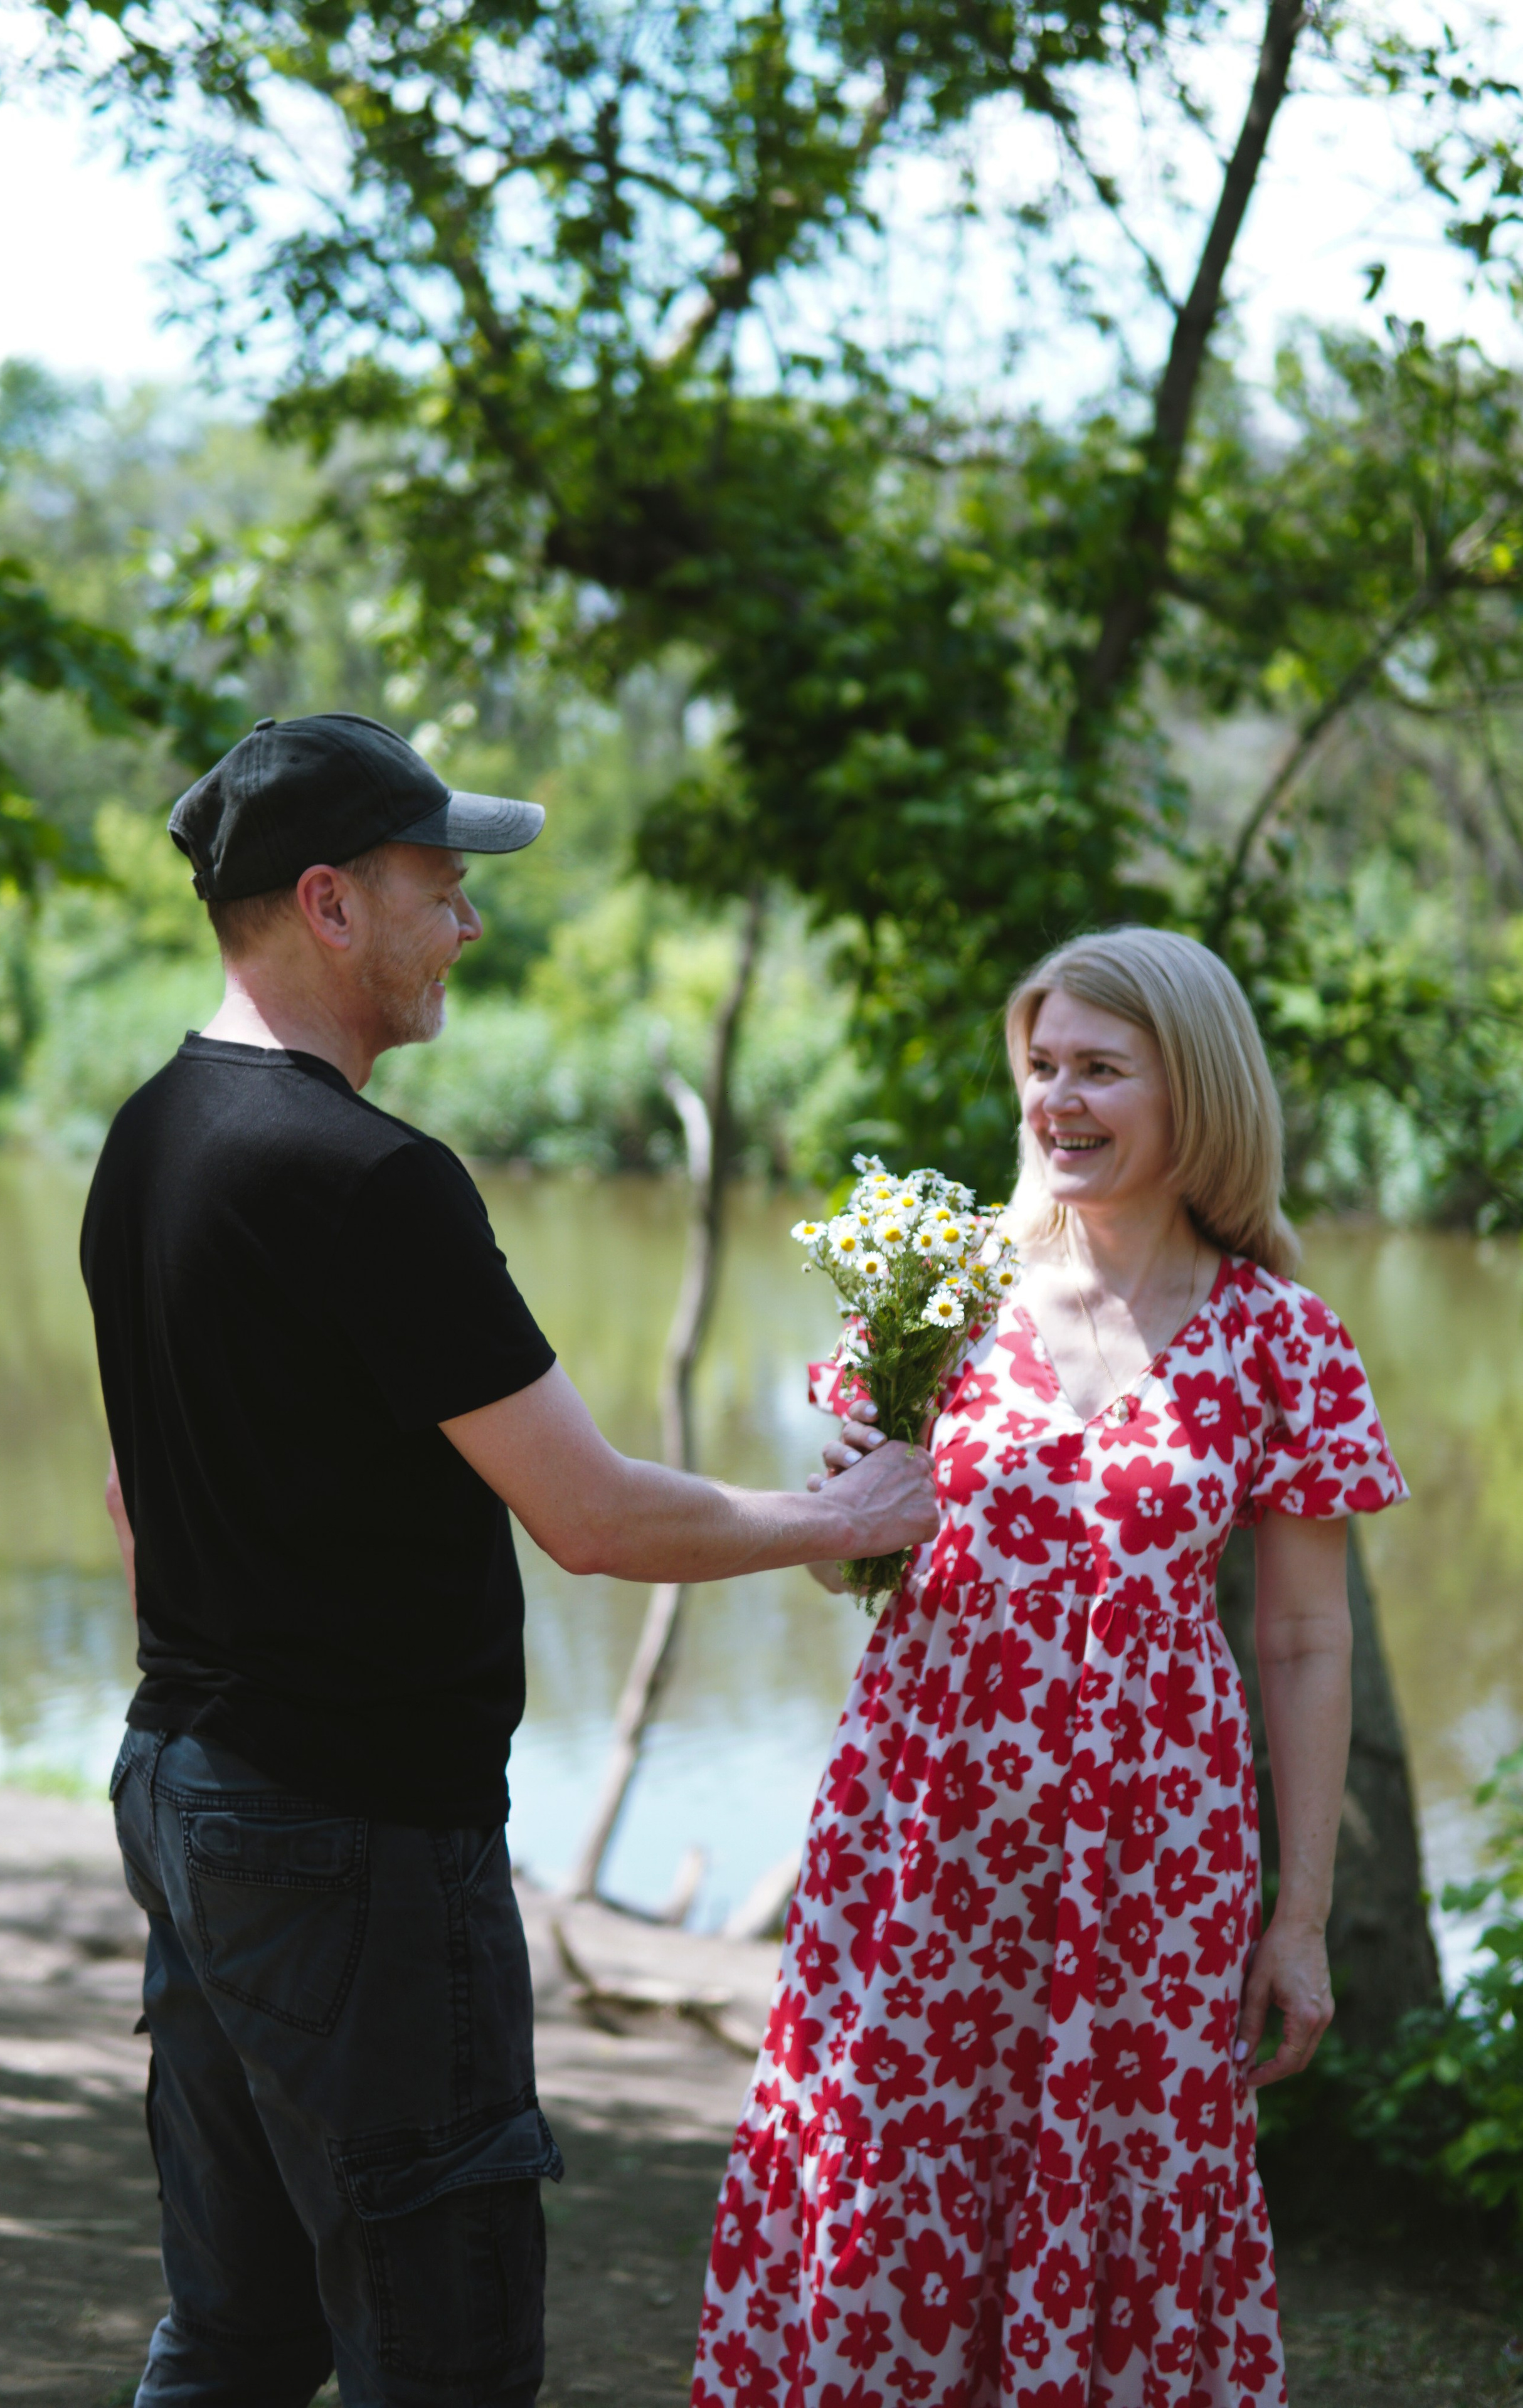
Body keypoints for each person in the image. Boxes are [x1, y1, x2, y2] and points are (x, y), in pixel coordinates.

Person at [80, 711, 938, 2408]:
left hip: (187, 1790)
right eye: (440, 886)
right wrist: (843, 1520)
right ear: (328, 902)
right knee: (445, 2347)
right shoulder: (368, 1180)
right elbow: (594, 1515)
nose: (470, 922)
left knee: (237, 2335)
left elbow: (131, 1498)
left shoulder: (150, 1136)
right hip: (353, 1838)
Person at [691, 926, 1407, 2408]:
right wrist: (842, 1512)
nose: (1055, 1100)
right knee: (890, 2188)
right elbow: (842, 1563)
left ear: (1193, 1089)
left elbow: (1299, 1635)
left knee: (1127, 2195)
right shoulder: (935, 1299)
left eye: (1098, 1068)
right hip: (926, 1844)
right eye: (1039, 1067)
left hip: (1150, 1876)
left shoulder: (1284, 1342)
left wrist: (1301, 1916)